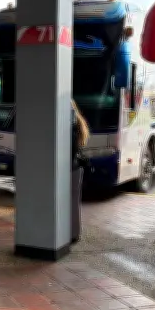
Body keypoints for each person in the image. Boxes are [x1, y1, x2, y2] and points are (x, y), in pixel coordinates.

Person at [71, 100, 89, 244]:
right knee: (74, 202)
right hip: (77, 168)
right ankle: (75, 233)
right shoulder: (79, 123)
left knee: (71, 202)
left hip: (71, 168)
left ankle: (73, 234)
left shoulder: (71, 126)